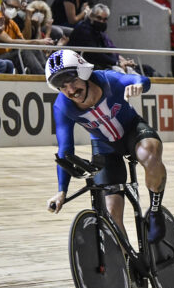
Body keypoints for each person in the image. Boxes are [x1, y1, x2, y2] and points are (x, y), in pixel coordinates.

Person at [45, 49, 167, 244]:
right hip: (105, 148)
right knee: (111, 214)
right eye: (63, 87)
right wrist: (62, 191)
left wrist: (138, 85)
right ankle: (128, 263)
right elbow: (65, 150)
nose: (70, 91)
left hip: (132, 131)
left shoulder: (108, 80)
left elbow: (144, 81)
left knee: (150, 156)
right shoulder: (62, 107)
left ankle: (155, 211)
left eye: (73, 81)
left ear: (84, 74)